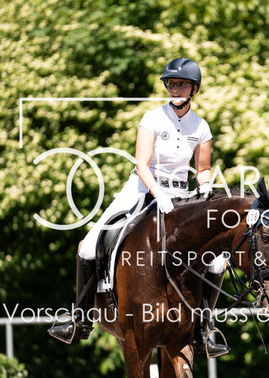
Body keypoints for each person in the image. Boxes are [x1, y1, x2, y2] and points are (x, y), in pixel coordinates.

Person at [48, 58, 230, 358]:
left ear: (194, 89)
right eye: (171, 84)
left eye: (181, 84)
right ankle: (79, 319)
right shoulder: (152, 118)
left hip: (181, 195)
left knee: (217, 261)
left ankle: (203, 328)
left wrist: (206, 186)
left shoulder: (201, 126)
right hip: (142, 188)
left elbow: (203, 168)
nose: (175, 89)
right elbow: (142, 164)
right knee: (88, 246)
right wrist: (157, 192)